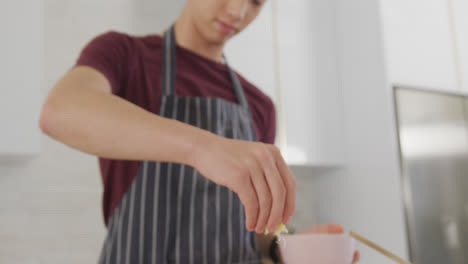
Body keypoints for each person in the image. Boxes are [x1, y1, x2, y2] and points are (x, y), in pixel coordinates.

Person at [39, 0, 360, 263]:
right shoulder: (124, 55)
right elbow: (60, 111)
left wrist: (286, 248)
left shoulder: (259, 105)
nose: (238, 11)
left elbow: (258, 231)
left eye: (256, 2)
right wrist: (202, 148)